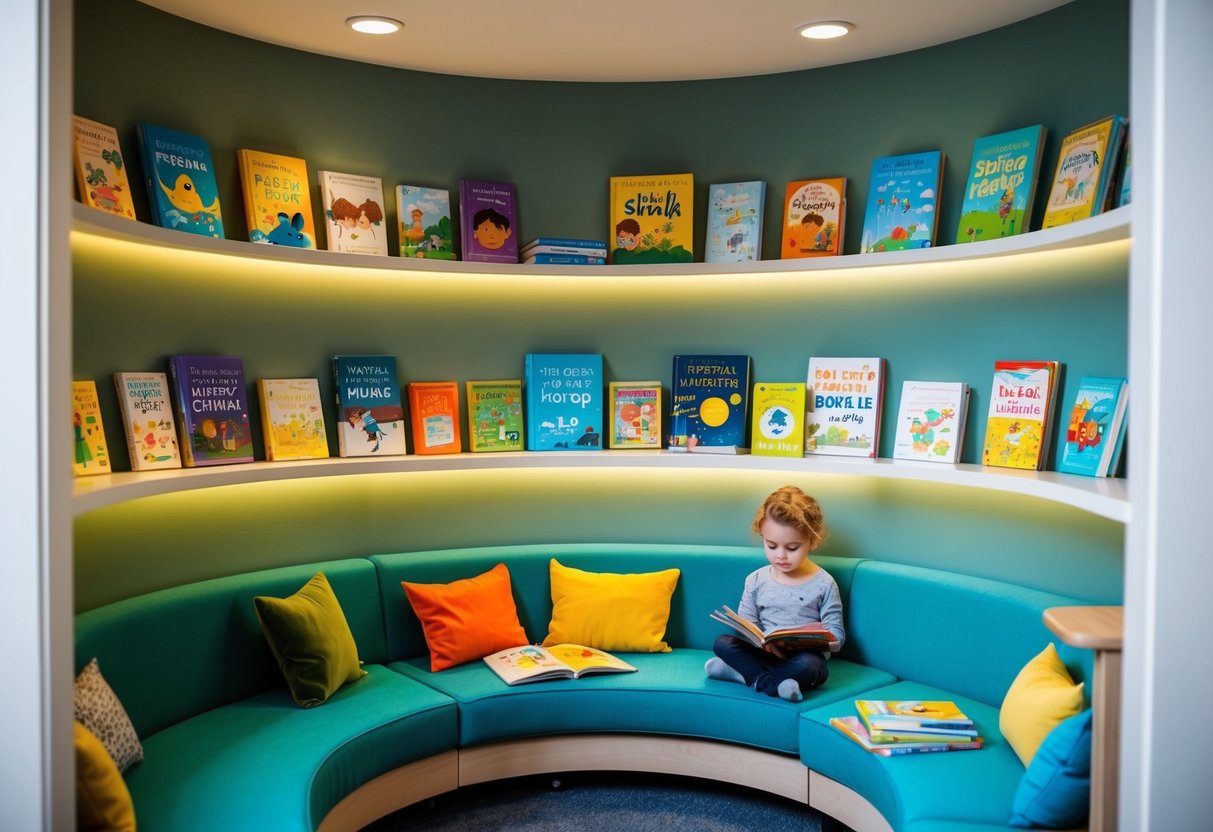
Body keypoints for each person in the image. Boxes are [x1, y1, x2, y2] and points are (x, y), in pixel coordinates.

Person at [705, 485, 845, 702]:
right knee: (722, 643)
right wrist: (762, 641)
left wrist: (805, 641)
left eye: (792, 548)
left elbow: (837, 637)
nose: (781, 556)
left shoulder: (824, 583)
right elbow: (747, 625)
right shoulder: (756, 580)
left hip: (800, 658)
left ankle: (742, 675)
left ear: (812, 541)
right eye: (771, 546)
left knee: (814, 667)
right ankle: (771, 683)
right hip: (762, 653)